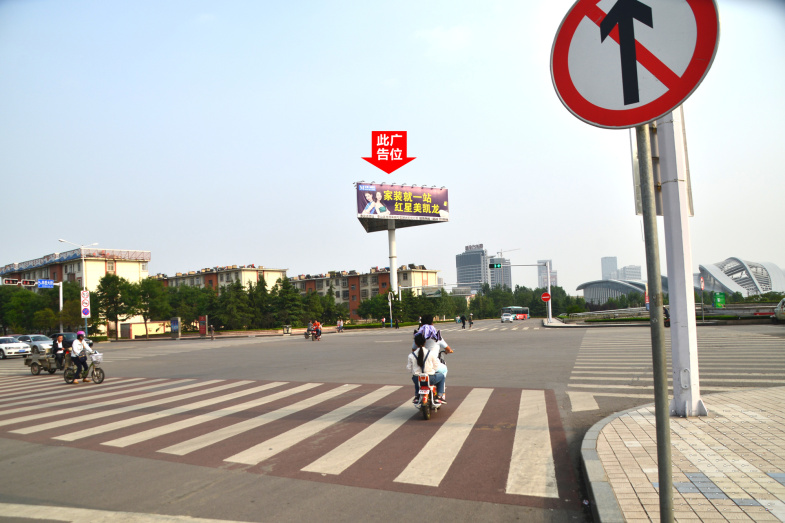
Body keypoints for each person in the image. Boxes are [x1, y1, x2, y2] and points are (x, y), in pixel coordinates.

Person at [407, 332, 445, 404]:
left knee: (416, 377)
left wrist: (415, 371)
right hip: (430, 379)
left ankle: (417, 396)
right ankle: (439, 396)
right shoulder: (431, 353)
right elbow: (436, 366)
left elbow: (409, 369)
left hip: (417, 380)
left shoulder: (411, 355)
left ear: (415, 343)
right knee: (442, 376)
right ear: (425, 342)